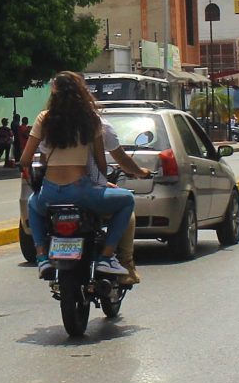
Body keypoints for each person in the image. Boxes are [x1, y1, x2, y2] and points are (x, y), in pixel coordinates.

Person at [19, 71, 149, 281]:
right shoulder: (91, 120)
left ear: (54, 93)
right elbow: (100, 162)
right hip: (81, 192)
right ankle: (106, 257)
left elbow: (25, 159)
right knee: (127, 200)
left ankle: (42, 257)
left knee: (33, 204)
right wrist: (101, 183)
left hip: (50, 194)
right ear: (81, 91)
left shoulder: (44, 118)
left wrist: (37, 175)